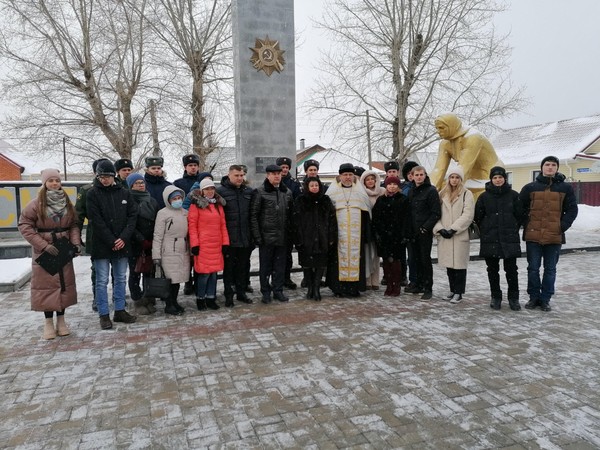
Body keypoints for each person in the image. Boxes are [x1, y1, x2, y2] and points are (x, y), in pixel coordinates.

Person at [18, 168, 82, 340]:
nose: (55, 183)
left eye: (57, 181)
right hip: (44, 251)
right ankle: (48, 323)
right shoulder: (35, 204)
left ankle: (61, 320)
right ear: (44, 183)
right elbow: (25, 226)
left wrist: (75, 243)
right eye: (51, 181)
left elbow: (74, 225)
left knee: (63, 285)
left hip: (63, 248)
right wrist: (44, 245)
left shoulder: (67, 203)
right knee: (46, 287)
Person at [519, 156, 578, 312]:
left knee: (550, 269)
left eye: (553, 165)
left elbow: (572, 209)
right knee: (533, 268)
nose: (550, 167)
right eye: (547, 164)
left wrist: (562, 226)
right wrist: (528, 224)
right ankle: (533, 297)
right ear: (542, 167)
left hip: (554, 236)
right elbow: (520, 208)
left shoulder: (565, 188)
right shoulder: (530, 188)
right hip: (533, 236)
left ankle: (545, 299)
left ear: (557, 168)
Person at [87, 160, 138, 329]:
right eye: (101, 176)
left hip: (122, 244)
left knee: (121, 278)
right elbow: (96, 220)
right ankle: (103, 314)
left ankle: (120, 310)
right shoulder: (92, 194)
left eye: (108, 176)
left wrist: (123, 238)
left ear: (113, 176)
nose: (105, 180)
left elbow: (132, 217)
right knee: (102, 280)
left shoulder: (124, 193)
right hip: (102, 245)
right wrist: (111, 240)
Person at [474, 166, 523, 310]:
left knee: (511, 270)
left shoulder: (514, 195)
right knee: (492, 270)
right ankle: (496, 296)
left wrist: (512, 226)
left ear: (505, 178)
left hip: (509, 238)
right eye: (495, 177)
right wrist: (486, 228)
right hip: (490, 238)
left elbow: (520, 215)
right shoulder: (484, 197)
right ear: (491, 179)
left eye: (500, 177)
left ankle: (514, 298)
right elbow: (478, 217)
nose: (498, 180)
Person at [430, 113, 502, 199]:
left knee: (452, 187)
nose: (438, 131)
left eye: (441, 128)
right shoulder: (445, 143)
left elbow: (463, 169)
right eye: (437, 128)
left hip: (489, 174)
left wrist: (450, 194)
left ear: (452, 126)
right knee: (444, 184)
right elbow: (438, 169)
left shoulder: (473, 138)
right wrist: (429, 190)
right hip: (470, 173)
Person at [326, 163, 372, 297]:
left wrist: (366, 235)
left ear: (354, 176)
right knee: (338, 261)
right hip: (339, 236)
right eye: (345, 175)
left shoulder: (360, 194)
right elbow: (328, 216)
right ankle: (338, 288)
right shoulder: (332, 193)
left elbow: (366, 216)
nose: (347, 177)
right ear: (340, 176)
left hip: (356, 237)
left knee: (356, 259)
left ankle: (354, 288)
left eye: (350, 175)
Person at [250, 164, 293, 304]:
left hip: (282, 237)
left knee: (280, 267)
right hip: (266, 238)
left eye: (278, 174)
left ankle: (278, 290)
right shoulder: (260, 192)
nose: (276, 176)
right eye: (273, 174)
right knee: (265, 267)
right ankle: (265, 292)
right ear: (267, 175)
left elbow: (291, 215)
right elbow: (254, 216)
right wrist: (257, 236)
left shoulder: (287, 192)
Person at [433, 167, 475, 304]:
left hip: (459, 235)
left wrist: (453, 229)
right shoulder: (442, 194)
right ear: (448, 179)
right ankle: (452, 290)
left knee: (459, 266)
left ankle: (459, 292)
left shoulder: (466, 194)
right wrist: (440, 229)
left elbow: (468, 214)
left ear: (461, 179)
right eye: (452, 177)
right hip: (444, 234)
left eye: (457, 177)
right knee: (449, 266)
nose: (454, 180)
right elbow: (435, 214)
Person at [293, 177, 337, 301]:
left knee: (320, 264)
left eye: (316, 185)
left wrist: (331, 237)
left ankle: (317, 288)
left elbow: (332, 220)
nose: (314, 188)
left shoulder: (325, 200)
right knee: (307, 265)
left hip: (322, 238)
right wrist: (298, 238)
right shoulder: (301, 200)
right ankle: (310, 288)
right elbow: (296, 221)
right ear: (307, 187)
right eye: (312, 185)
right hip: (306, 238)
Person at [188, 178, 230, 310]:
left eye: (212, 188)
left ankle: (211, 298)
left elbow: (223, 225)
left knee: (213, 273)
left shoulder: (218, 206)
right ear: (202, 191)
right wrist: (194, 244)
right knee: (204, 274)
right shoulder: (195, 206)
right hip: (203, 244)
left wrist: (225, 243)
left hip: (216, 244)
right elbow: (192, 226)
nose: (210, 191)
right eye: (207, 189)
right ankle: (201, 298)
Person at [75, 158, 110, 312]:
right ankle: (97, 297)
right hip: (95, 234)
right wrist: (76, 237)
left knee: (117, 270)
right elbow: (78, 216)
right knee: (97, 269)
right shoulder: (87, 190)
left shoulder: (118, 187)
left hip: (116, 234)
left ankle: (117, 296)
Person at [217, 165, 255, 307]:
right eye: (236, 175)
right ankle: (228, 295)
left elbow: (253, 215)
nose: (239, 178)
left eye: (241, 175)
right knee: (229, 269)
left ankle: (241, 292)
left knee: (242, 268)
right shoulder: (220, 192)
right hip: (229, 238)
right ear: (229, 175)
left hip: (245, 237)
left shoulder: (249, 192)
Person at [152, 186, 190, 315]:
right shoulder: (163, 213)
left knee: (178, 278)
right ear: (168, 199)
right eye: (174, 198)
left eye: (179, 197)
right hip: (168, 250)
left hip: (183, 249)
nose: (177, 200)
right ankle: (169, 304)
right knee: (170, 280)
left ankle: (174, 302)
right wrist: (156, 255)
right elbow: (157, 236)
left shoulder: (185, 212)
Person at [405, 166, 441, 300]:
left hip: (424, 232)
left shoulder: (431, 191)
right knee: (415, 259)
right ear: (412, 176)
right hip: (413, 232)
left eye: (421, 174)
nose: (419, 177)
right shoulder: (411, 191)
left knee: (425, 260)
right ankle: (418, 284)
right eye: (416, 175)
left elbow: (436, 212)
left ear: (425, 175)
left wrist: (425, 228)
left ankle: (428, 287)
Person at [126, 173, 159, 315]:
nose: (141, 185)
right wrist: (141, 239)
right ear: (131, 185)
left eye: (142, 182)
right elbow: (129, 223)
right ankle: (137, 300)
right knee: (135, 272)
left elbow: (157, 220)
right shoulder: (128, 200)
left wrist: (154, 239)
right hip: (135, 242)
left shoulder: (151, 200)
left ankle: (148, 296)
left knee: (149, 271)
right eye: (137, 183)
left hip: (151, 241)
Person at [372, 176, 409, 296]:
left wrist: (404, 234)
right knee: (386, 261)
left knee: (396, 262)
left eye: (394, 184)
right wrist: (377, 233)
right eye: (389, 184)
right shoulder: (381, 200)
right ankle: (389, 285)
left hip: (397, 236)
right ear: (386, 186)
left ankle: (396, 286)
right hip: (384, 236)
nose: (392, 186)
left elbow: (406, 219)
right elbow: (376, 218)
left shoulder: (403, 199)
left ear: (398, 186)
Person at [276, 156, 301, 290]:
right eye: (282, 167)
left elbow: (297, 203)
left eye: (286, 167)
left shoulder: (294, 184)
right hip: (275, 224)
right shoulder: (273, 181)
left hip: (289, 224)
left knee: (287, 254)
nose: (284, 169)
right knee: (275, 255)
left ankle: (287, 278)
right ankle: (276, 280)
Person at [360, 169, 385, 290]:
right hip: (367, 228)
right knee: (367, 254)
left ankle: (375, 281)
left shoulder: (382, 192)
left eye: (372, 179)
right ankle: (367, 280)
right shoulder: (361, 193)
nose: (370, 181)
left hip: (380, 228)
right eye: (367, 179)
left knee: (376, 255)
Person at [400, 160, 419, 288]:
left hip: (419, 226)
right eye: (409, 173)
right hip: (406, 226)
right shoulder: (404, 189)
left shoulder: (424, 188)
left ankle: (420, 281)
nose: (412, 176)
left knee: (419, 257)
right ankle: (412, 279)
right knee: (410, 257)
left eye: (414, 173)